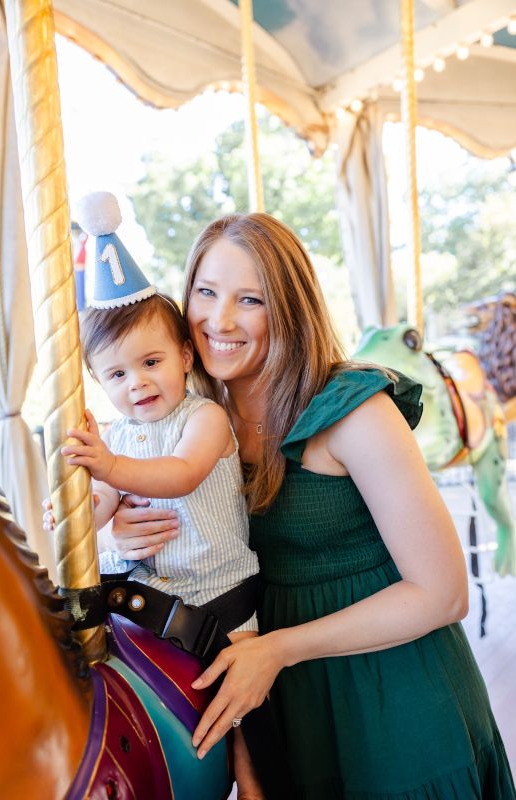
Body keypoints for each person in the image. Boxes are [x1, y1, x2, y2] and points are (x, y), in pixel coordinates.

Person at [107, 212, 515, 799]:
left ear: (289, 308)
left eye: (250, 299)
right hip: (284, 701)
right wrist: (126, 532)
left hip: (390, 695)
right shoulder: (185, 423)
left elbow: (444, 592)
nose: (219, 319)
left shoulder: (353, 412)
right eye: (206, 291)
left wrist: (280, 649)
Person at [44, 193, 263, 799]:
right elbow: (104, 508)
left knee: (248, 716)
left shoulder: (206, 420)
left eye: (151, 361)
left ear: (185, 357)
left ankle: (254, 788)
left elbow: (182, 474)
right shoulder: (117, 437)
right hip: (150, 603)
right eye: (116, 374)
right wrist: (73, 515)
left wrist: (111, 464)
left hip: (222, 600)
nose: (136, 382)